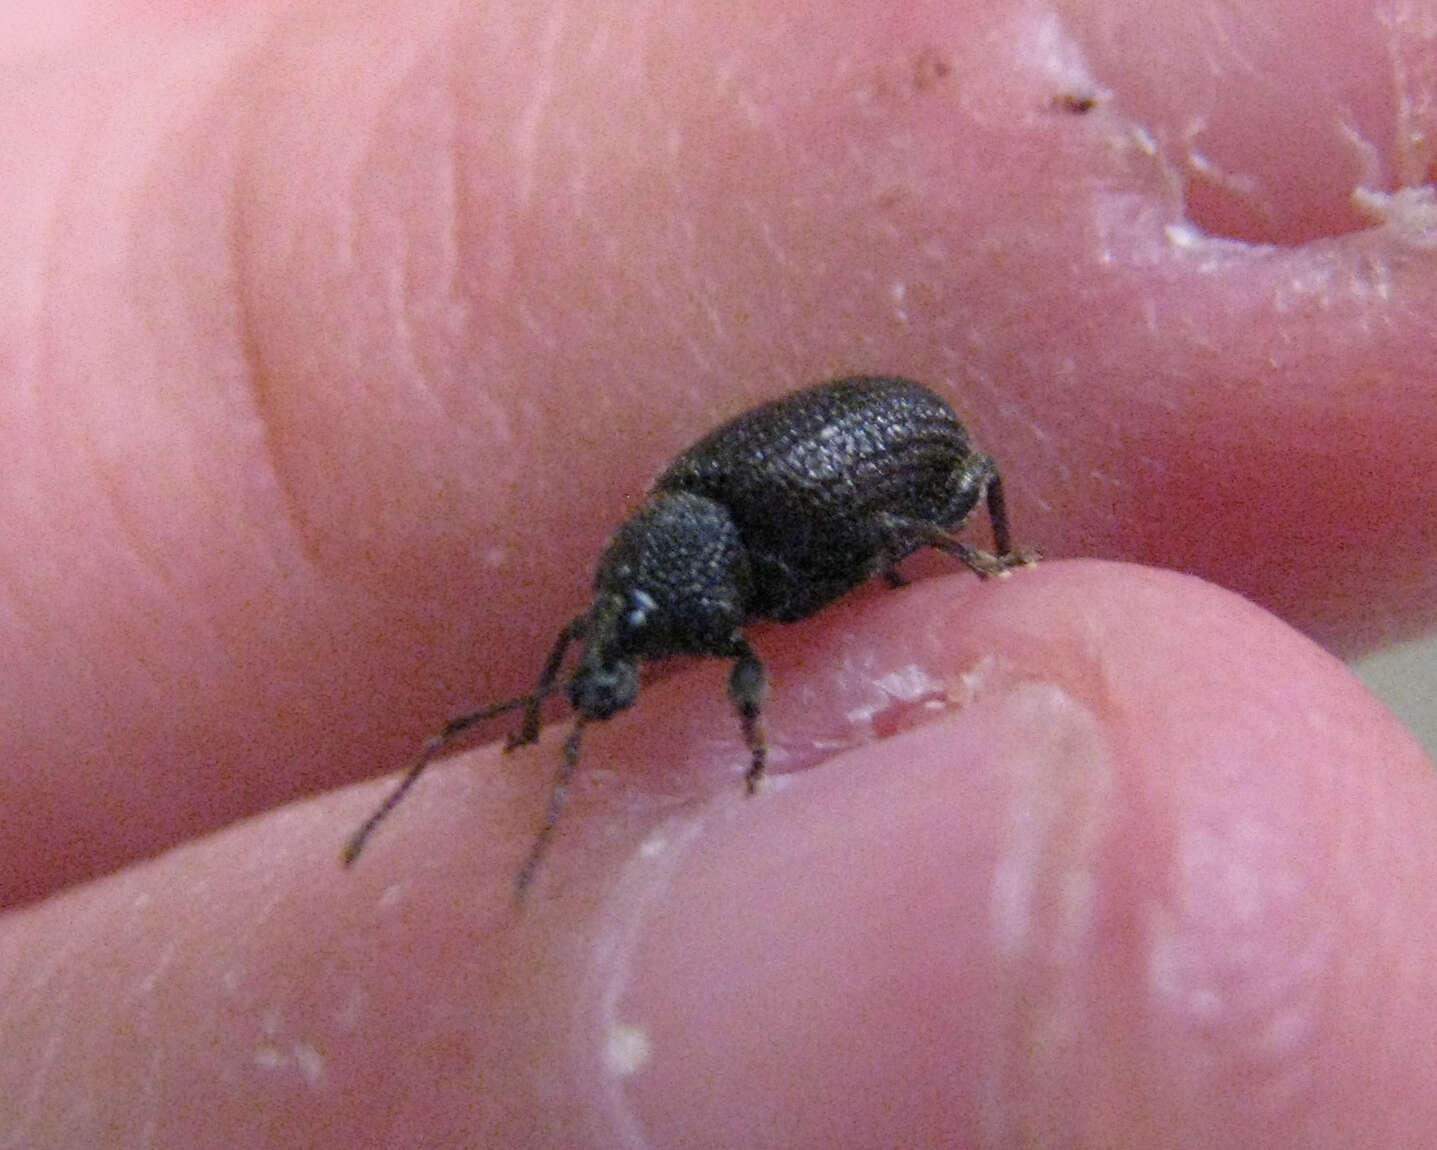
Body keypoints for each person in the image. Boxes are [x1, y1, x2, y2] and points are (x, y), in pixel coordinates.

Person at [3, 2, 1436, 1144]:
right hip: (776, 499)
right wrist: (546, 715)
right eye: (619, 645)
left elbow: (907, 495)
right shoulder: (664, 561)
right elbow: (611, 625)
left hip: (897, 444)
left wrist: (941, 580)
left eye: (627, 646)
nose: (618, 661)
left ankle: (844, 699)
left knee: (922, 537)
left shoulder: (736, 560)